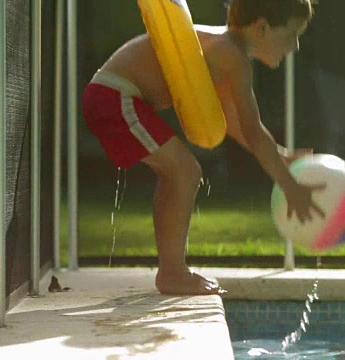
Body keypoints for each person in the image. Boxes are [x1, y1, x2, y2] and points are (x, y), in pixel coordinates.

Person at [82, 0, 324, 296]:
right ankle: (172, 273)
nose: (295, 46)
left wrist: (282, 155)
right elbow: (254, 130)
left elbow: (234, 123)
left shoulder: (221, 50)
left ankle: (171, 269)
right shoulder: (231, 56)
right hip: (114, 98)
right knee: (184, 172)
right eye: (291, 35)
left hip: (111, 95)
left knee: (179, 174)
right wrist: (290, 187)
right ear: (261, 28)